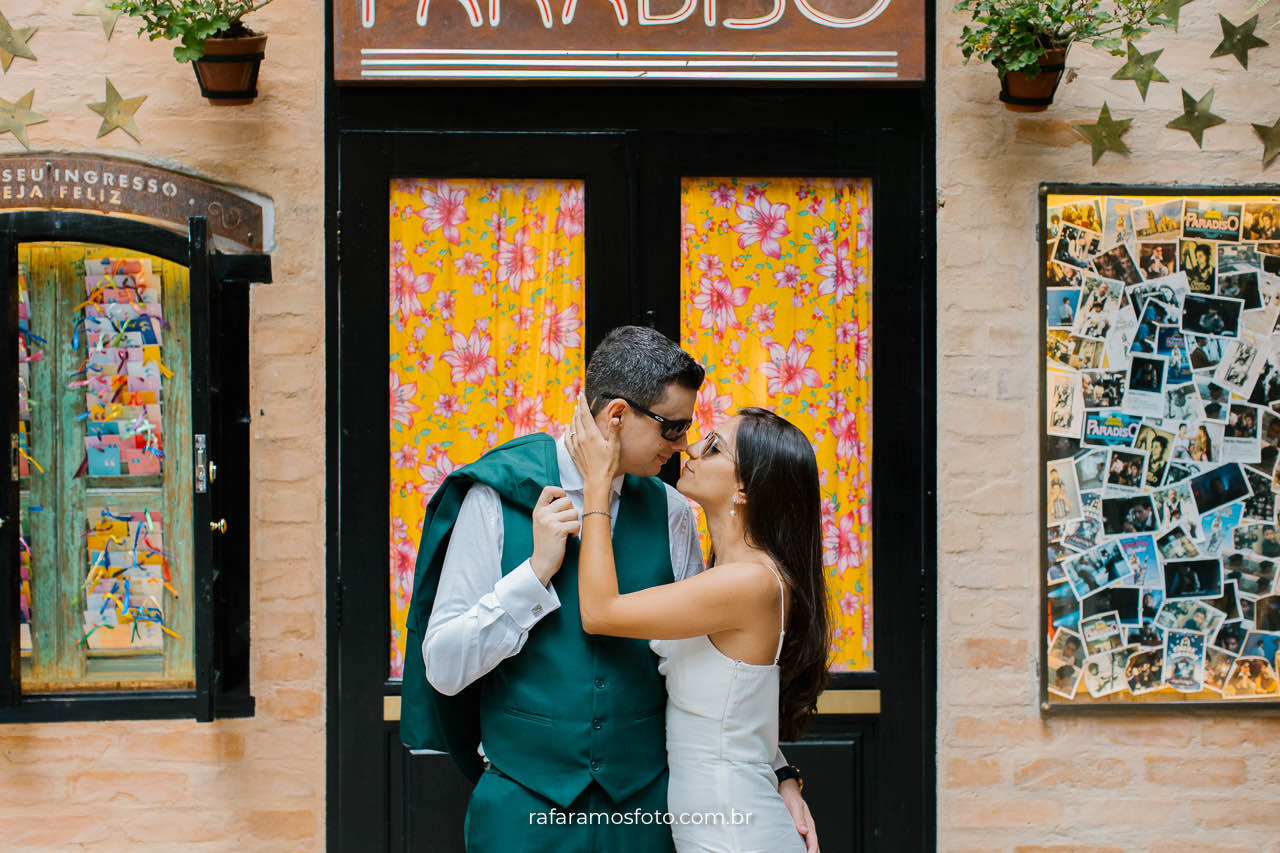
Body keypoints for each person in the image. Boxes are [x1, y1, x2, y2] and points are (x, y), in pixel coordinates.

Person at [399, 325, 818, 852]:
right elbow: (442, 667)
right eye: (673, 428)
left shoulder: (672, 512)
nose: (684, 445)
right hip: (524, 814)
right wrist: (532, 576)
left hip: (646, 814)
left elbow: (714, 667)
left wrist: (779, 774)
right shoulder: (494, 498)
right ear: (617, 415)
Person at [563, 398, 830, 853]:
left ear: (745, 487)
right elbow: (738, 712)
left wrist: (595, 484)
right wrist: (783, 774)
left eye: (713, 447)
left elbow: (600, 612)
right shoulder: (730, 575)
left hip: (734, 834)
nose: (690, 450)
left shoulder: (748, 583)